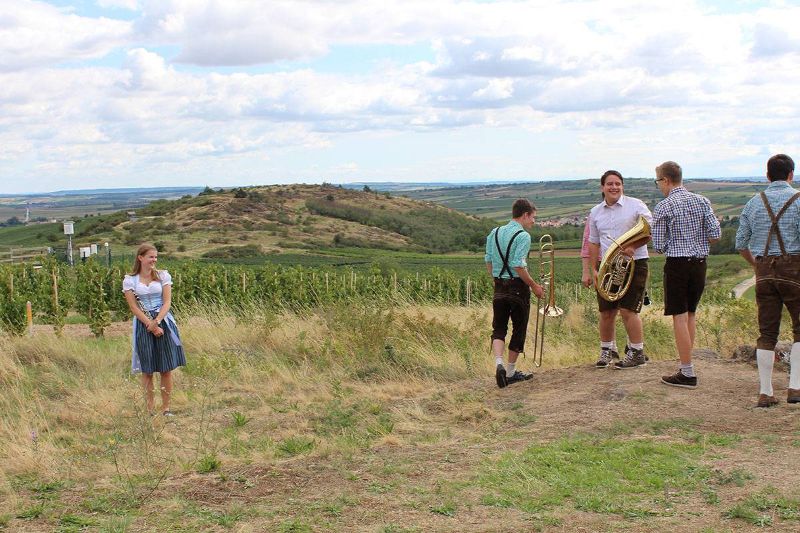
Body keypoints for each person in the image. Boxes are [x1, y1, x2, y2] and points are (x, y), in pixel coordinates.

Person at [735, 154, 800, 407]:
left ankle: (766, 392)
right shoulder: (799, 201)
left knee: (767, 332)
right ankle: (795, 388)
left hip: (763, 270)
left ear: (767, 175)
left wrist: (757, 265)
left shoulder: (753, 203)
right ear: (791, 174)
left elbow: (740, 243)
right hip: (794, 270)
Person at [651, 161, 721, 388]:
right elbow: (716, 234)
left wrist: (679, 243)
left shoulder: (664, 207)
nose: (659, 186)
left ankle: (687, 371)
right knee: (691, 313)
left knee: (679, 317)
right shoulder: (702, 201)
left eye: (658, 181)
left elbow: (659, 245)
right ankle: (686, 365)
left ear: (667, 180)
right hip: (700, 263)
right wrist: (697, 242)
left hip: (678, 264)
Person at [588, 170, 652, 369]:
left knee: (628, 310)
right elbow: (593, 242)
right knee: (606, 311)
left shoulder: (636, 205)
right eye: (610, 184)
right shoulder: (595, 212)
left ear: (622, 186)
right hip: (608, 265)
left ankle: (636, 352)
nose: (614, 187)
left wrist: (633, 247)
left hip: (634, 262)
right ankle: (607, 350)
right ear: (602, 187)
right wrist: (593, 269)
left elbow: (649, 230)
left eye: (617, 183)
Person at [485, 198, 546, 388]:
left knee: (499, 328)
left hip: (499, 285)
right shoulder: (523, 236)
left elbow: (488, 261)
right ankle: (510, 372)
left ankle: (499, 364)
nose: (533, 222)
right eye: (533, 217)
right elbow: (518, 264)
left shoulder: (493, 233)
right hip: (518, 288)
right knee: (519, 328)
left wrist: (497, 278)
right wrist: (534, 286)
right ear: (525, 214)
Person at [123, 243, 186, 416]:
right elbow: (134, 307)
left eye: (156, 257)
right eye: (151, 256)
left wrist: (157, 321)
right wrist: (149, 325)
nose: (154, 260)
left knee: (166, 368)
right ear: (140, 258)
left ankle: (166, 408)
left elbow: (167, 302)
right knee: (147, 370)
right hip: (143, 326)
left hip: (163, 321)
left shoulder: (163, 276)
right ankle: (149, 410)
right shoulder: (130, 280)